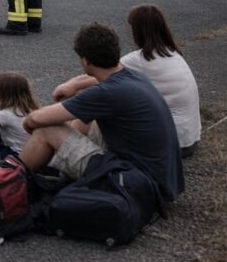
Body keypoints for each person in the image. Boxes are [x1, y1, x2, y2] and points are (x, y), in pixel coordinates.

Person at [19, 23, 184, 202]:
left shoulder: (105, 93)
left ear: (85, 61)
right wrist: (74, 85)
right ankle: (53, 163)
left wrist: (30, 123)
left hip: (134, 183)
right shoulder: (133, 76)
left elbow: (35, 119)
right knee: (88, 115)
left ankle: (9, 183)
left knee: (47, 129)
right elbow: (95, 82)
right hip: (161, 180)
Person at [52, 5, 201, 158]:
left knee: (96, 109)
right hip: (189, 138)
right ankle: (62, 143)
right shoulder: (172, 53)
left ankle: (61, 148)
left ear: (138, 31)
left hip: (172, 144)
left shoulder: (143, 59)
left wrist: (72, 86)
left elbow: (104, 73)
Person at [0, 71, 39, 156]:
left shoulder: (3, 115)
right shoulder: (33, 110)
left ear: (3, 94)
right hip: (35, 154)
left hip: (18, 156)